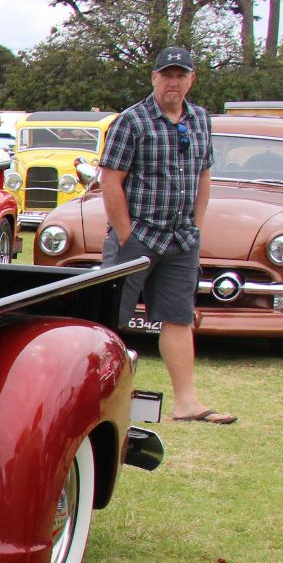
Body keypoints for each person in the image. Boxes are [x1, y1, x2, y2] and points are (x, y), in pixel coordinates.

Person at [98, 46, 232, 424]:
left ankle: (186, 403)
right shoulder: (132, 121)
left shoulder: (201, 119)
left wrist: (197, 225)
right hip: (137, 235)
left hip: (181, 239)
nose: (173, 82)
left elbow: (204, 174)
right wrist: (126, 236)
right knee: (110, 319)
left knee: (178, 318)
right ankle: (99, 399)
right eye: (166, 75)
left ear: (192, 79)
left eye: (181, 75)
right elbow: (111, 180)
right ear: (154, 78)